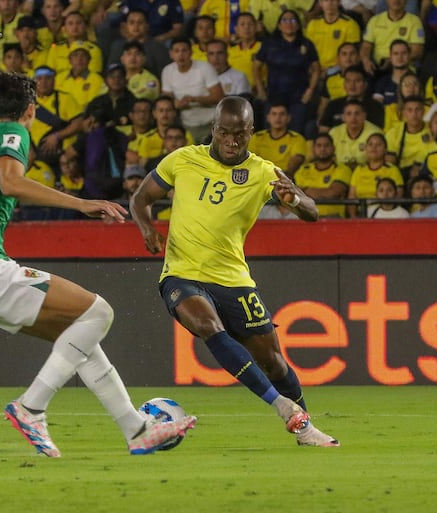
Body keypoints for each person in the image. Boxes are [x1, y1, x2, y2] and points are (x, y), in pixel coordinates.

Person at [0, 71, 196, 457]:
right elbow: (11, 182)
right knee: (98, 312)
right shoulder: (13, 133)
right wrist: (80, 203)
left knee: (79, 333)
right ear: (31, 110)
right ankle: (31, 406)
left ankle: (136, 429)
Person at [129, 95, 339, 448]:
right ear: (213, 129)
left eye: (239, 134)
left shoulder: (263, 172)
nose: (231, 141)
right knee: (208, 326)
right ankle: (283, 409)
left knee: (274, 364)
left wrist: (296, 201)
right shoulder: (182, 159)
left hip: (234, 279)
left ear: (251, 132)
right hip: (182, 273)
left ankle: (305, 428)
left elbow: (313, 211)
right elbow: (140, 199)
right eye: (224, 133)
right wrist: (147, 229)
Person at [253, 10, 320, 138]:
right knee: (271, 134)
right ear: (279, 25)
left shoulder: (306, 44)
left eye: (293, 20)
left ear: (299, 25)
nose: (289, 23)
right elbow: (256, 67)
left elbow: (316, 69)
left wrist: (310, 91)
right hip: (273, 95)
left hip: (298, 97)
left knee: (295, 134)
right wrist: (260, 88)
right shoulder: (269, 43)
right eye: (285, 20)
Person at [161, 36, 224, 143]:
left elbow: (219, 97)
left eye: (184, 50)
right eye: (176, 51)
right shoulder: (167, 71)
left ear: (191, 52)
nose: (181, 54)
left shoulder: (205, 68)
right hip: (186, 126)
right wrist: (175, 104)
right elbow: (167, 100)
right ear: (171, 54)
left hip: (211, 124)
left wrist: (194, 99)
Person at [294, 133, 353, 218]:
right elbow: (297, 194)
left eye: (326, 145)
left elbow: (333, 194)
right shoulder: (303, 169)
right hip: (306, 215)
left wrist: (306, 190)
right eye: (319, 145)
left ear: (333, 148)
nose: (323, 149)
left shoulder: (342, 169)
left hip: (333, 217)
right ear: (313, 149)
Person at [348, 132, 404, 216]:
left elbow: (398, 195)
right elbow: (352, 196)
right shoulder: (359, 170)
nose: (374, 147)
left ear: (385, 150)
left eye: (378, 145)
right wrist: (354, 218)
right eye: (370, 144)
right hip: (362, 214)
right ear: (366, 148)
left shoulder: (392, 170)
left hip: (383, 214)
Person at [248, 102, 307, 178]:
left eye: (282, 114)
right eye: (274, 114)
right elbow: (250, 160)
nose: (278, 118)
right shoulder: (257, 137)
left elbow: (295, 162)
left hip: (284, 178)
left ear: (288, 118)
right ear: (268, 118)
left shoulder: (297, 139)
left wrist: (283, 177)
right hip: (259, 177)